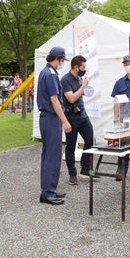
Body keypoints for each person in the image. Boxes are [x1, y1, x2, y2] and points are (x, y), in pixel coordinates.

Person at [37, 46, 72, 205]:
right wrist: (64, 120)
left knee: (49, 155)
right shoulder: (51, 74)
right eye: (62, 59)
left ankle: (49, 189)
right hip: (51, 118)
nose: (62, 62)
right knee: (52, 156)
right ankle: (48, 192)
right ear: (58, 59)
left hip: (47, 118)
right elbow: (54, 99)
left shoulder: (45, 72)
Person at [61, 55, 95, 185]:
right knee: (71, 146)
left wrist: (81, 90)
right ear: (76, 67)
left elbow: (78, 94)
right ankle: (72, 174)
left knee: (90, 140)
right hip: (71, 117)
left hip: (82, 114)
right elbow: (71, 98)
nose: (84, 70)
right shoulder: (65, 80)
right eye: (83, 67)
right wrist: (83, 87)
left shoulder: (79, 78)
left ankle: (85, 169)